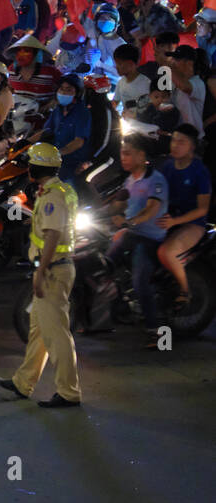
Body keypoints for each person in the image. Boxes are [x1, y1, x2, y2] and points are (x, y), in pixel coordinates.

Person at [0, 143, 81, 407]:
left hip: (53, 270)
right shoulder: (58, 190)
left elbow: (53, 235)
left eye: (30, 163)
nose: (27, 168)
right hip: (55, 267)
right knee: (39, 332)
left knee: (57, 335)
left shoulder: (53, 196)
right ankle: (24, 382)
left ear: (38, 167)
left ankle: (68, 392)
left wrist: (40, 272)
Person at [105, 134, 171, 349]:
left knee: (140, 281)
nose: (122, 157)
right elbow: (119, 204)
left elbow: (150, 209)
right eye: (122, 153)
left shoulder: (155, 179)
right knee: (103, 265)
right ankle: (114, 311)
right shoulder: (129, 179)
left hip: (149, 238)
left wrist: (130, 222)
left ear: (141, 156)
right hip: (132, 234)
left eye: (127, 153)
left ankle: (155, 331)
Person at [156, 124, 211, 310]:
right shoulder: (167, 166)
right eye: (174, 140)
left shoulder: (200, 171)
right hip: (167, 218)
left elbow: (203, 209)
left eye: (182, 142)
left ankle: (185, 292)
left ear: (192, 146)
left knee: (167, 252)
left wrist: (174, 221)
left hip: (192, 223)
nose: (175, 145)